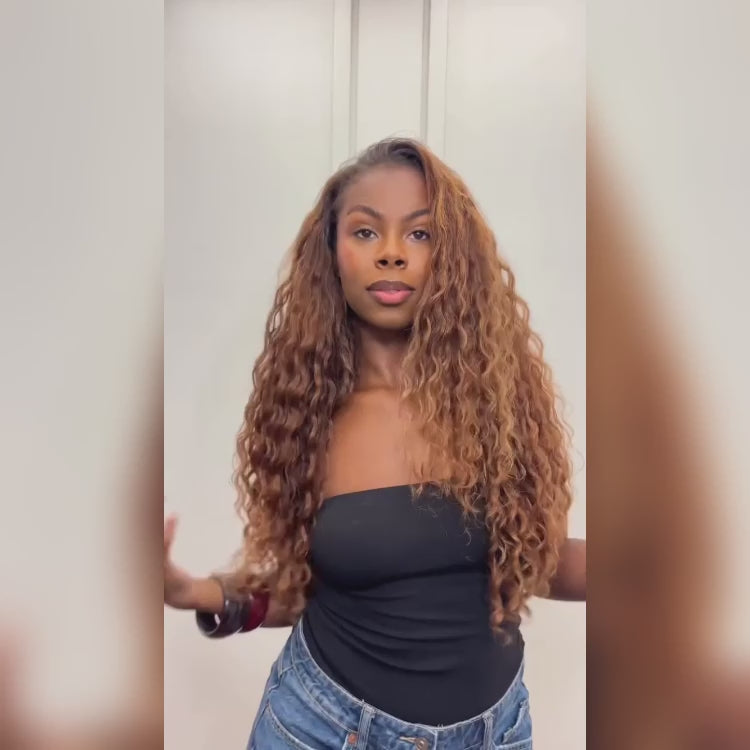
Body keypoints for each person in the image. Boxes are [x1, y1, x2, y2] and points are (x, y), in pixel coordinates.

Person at [164, 137, 586, 749]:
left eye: (420, 234)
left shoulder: (498, 405)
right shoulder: (304, 415)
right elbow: (296, 589)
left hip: (495, 733)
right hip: (327, 730)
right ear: (332, 253)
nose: (391, 252)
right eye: (365, 232)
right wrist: (192, 592)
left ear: (452, 255)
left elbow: (537, 560)